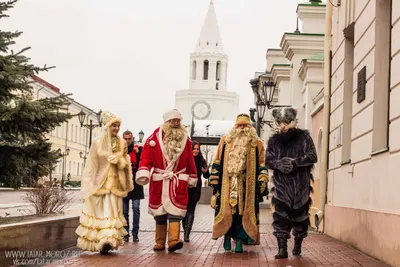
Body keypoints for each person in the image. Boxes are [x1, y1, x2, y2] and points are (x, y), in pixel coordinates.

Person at [136, 109, 197, 252]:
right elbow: (146, 157)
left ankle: (174, 241)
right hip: (160, 179)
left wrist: (192, 176)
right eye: (173, 121)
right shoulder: (154, 138)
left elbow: (190, 161)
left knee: (176, 212)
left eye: (178, 121)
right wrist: (144, 171)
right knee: (160, 213)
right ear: (167, 122)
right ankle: (160, 242)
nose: (176, 123)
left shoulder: (185, 139)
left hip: (177, 180)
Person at [75, 111, 134, 254]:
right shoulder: (97, 142)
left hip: (115, 184)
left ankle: (108, 240)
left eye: (118, 126)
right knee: (99, 213)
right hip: (99, 183)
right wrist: (89, 182)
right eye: (114, 125)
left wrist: (120, 161)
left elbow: (126, 162)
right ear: (107, 126)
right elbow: (92, 164)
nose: (116, 128)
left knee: (112, 211)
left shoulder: (122, 143)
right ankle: (100, 240)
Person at [209, 113, 269, 253]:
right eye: (239, 125)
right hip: (227, 184)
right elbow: (217, 161)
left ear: (250, 127)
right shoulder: (225, 141)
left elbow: (261, 163)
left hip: (247, 185)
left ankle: (240, 241)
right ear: (235, 126)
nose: (242, 128)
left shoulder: (256, 143)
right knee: (227, 212)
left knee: (243, 213)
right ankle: (227, 237)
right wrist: (215, 183)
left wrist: (262, 180)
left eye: (245, 125)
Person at [266, 107, 317, 259]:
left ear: (294, 120)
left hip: (301, 186)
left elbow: (312, 156)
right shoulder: (274, 141)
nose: (283, 126)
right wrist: (278, 164)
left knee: (300, 218)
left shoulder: (304, 137)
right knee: (281, 217)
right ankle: (282, 248)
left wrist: (296, 162)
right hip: (282, 187)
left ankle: (298, 244)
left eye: (287, 122)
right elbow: (268, 161)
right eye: (280, 122)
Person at [183, 141, 210, 242]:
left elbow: (207, 176)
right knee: (184, 211)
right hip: (185, 187)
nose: (196, 151)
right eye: (194, 148)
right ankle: (184, 228)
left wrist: (206, 172)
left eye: (197, 149)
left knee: (191, 210)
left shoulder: (201, 160)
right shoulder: (185, 159)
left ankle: (187, 233)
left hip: (196, 188)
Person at [122, 130, 144, 242]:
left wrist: (138, 153)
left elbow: (144, 161)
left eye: (129, 139)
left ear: (132, 138)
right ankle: (125, 233)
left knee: (136, 209)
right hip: (124, 183)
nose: (127, 141)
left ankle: (135, 233)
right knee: (124, 211)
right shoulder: (120, 150)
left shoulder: (138, 149)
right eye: (125, 139)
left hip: (136, 184)